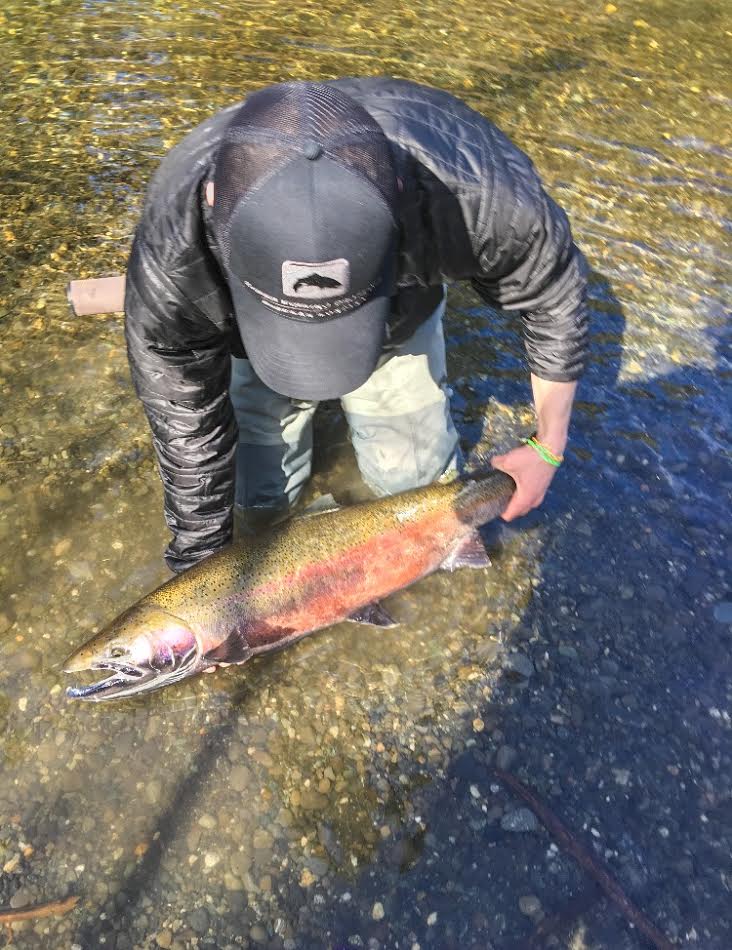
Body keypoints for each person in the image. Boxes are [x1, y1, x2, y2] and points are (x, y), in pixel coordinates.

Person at [125, 78, 588, 573]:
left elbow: (554, 292)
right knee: (256, 499)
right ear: (213, 200)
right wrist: (200, 567)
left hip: (397, 311)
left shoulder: (479, 200)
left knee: (419, 496)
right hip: (241, 333)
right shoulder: (172, 248)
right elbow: (185, 414)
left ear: (402, 195)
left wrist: (548, 446)